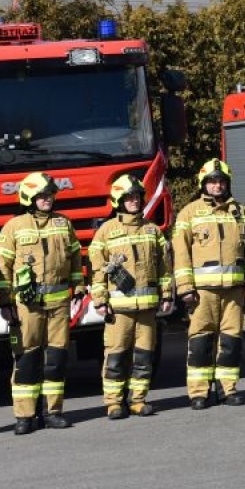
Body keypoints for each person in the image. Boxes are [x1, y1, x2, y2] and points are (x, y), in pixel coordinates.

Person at [0, 170, 86, 434]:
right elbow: (3, 267)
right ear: (29, 198)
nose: (48, 199)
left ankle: (52, 411)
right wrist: (5, 302)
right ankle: (24, 416)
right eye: (42, 195)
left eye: (50, 195)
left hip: (58, 304)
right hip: (27, 306)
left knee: (56, 359)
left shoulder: (63, 223)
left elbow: (75, 259)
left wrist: (78, 287)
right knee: (26, 359)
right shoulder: (14, 226)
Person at [173, 158, 245, 408]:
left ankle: (228, 389)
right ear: (203, 184)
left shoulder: (241, 213)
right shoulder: (189, 214)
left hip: (234, 291)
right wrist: (185, 288)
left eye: (221, 181)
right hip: (202, 293)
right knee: (201, 342)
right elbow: (181, 255)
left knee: (231, 342)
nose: (217, 186)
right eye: (212, 181)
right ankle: (199, 393)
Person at [88, 173, 175, 419]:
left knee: (144, 356)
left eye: (137, 197)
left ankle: (138, 399)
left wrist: (167, 294)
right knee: (116, 357)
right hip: (118, 310)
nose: (135, 201)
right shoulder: (106, 231)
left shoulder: (152, 230)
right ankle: (114, 403)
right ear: (119, 200)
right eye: (129, 197)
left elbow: (164, 268)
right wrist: (100, 300)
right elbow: (97, 270)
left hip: (147, 308)